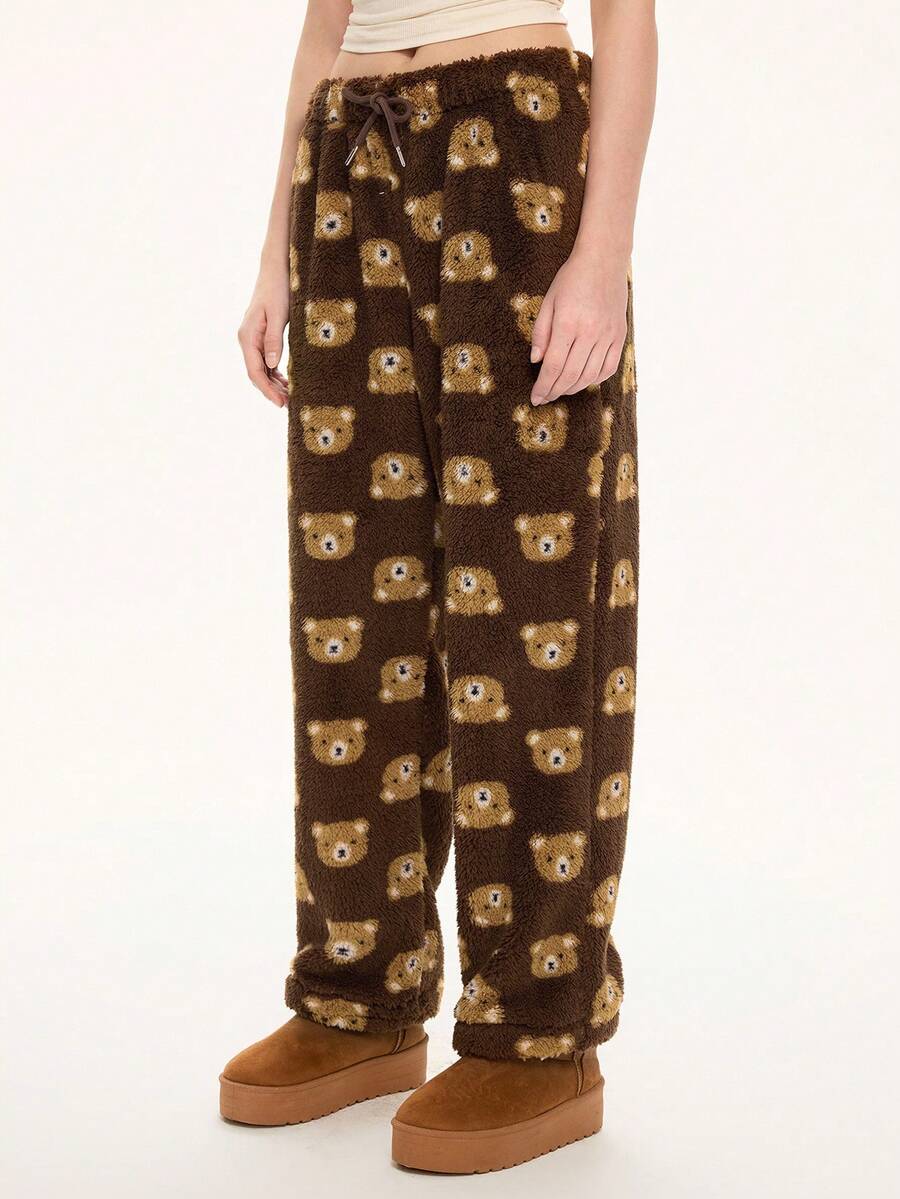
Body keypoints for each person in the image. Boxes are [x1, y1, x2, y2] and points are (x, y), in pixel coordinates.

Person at [223, 0, 656, 1173]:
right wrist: (276, 253)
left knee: (529, 609)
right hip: (347, 156)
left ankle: (540, 1027)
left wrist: (602, 256)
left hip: (511, 142)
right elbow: (323, 30)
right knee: (351, 611)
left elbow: (627, 18)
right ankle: (360, 989)